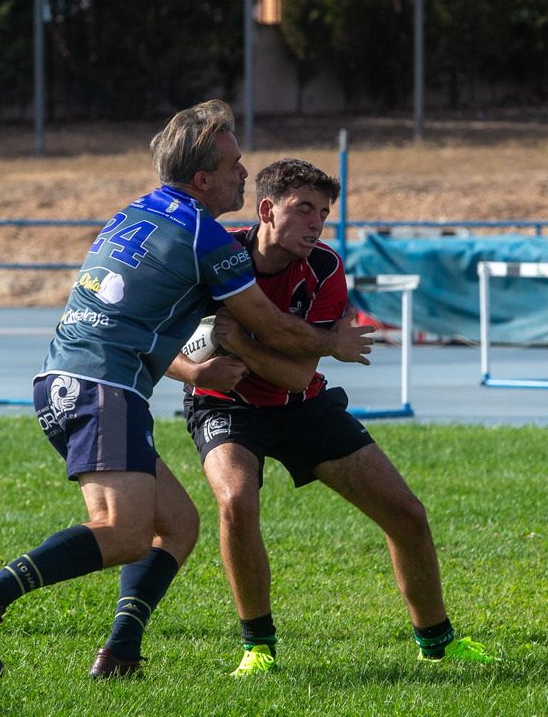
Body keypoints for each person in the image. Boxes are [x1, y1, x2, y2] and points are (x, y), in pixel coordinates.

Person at [0, 101, 375, 678]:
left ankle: (120, 654)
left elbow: (139, 316)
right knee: (122, 532)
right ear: (202, 179)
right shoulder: (206, 238)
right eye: (234, 164)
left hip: (68, 380)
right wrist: (332, 343)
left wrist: (194, 372)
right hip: (102, 388)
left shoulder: (137, 211)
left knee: (179, 524)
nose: (244, 173)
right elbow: (270, 327)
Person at [169, 157, 495, 677]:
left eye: (323, 212)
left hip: (302, 406)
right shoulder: (214, 253)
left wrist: (236, 342)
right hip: (225, 405)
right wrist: (196, 372)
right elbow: (154, 346)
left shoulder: (325, 266)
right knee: (235, 500)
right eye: (303, 210)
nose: (316, 223)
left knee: (407, 514)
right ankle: (259, 647)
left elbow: (297, 377)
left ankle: (437, 642)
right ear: (267, 209)